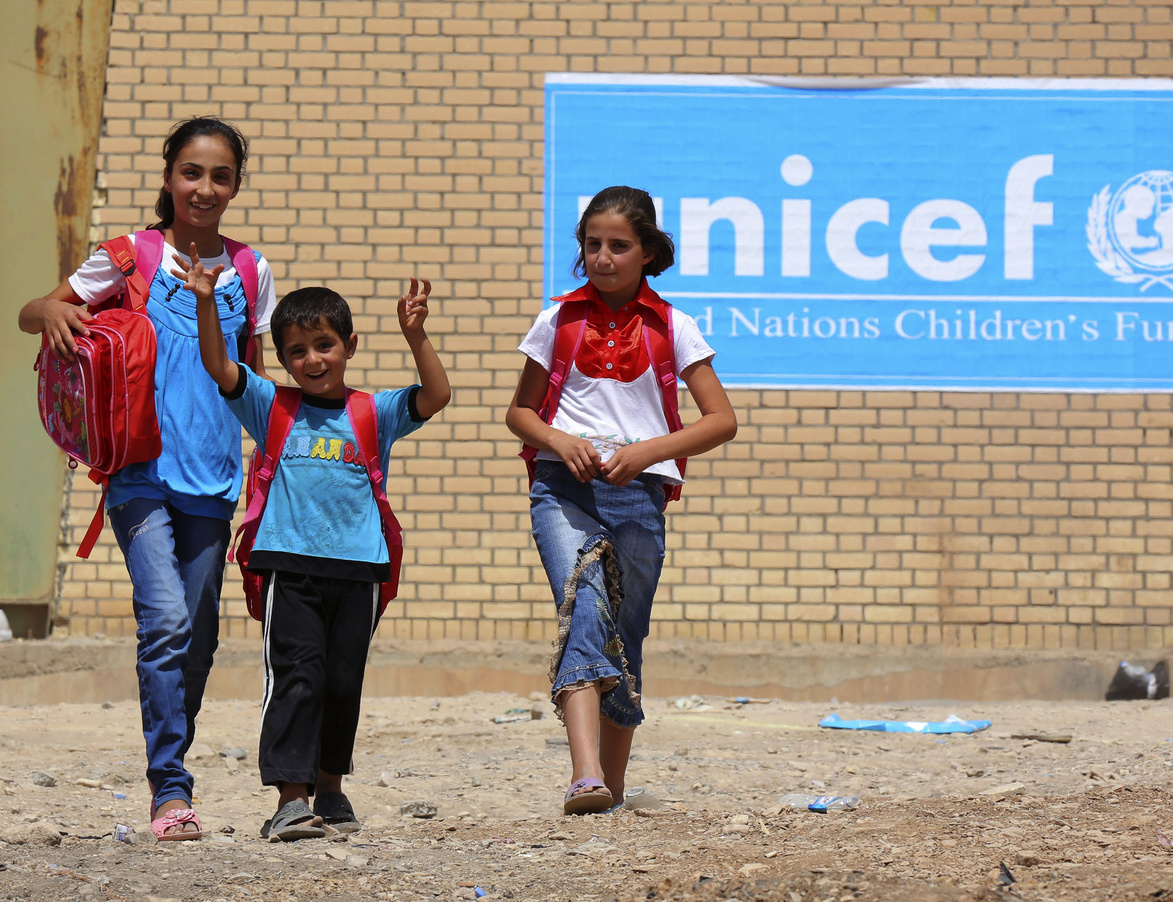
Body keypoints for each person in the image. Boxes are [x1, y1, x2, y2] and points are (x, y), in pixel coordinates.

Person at [18, 117, 276, 841]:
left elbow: (250, 375)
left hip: (215, 479)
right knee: (163, 621)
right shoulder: (130, 256)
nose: (205, 187)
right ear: (169, 177)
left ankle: (173, 757)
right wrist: (56, 315)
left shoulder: (251, 270)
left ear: (235, 186)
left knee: (196, 638)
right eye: (191, 172)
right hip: (139, 473)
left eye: (220, 176)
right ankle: (171, 787)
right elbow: (30, 310)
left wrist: (268, 461)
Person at [182, 256, 451, 841]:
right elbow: (217, 364)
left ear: (349, 345)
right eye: (297, 351)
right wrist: (206, 301)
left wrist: (416, 336)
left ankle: (330, 788)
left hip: (360, 568)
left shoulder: (372, 412)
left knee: (341, 682)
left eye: (324, 345)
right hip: (288, 565)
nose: (312, 360)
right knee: (296, 677)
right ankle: (291, 798)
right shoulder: (271, 405)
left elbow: (436, 394)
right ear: (282, 359)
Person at [505, 186, 737, 815]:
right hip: (563, 489)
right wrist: (558, 439)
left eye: (619, 245)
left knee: (624, 635)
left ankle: (612, 783)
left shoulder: (674, 327)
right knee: (583, 605)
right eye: (592, 244)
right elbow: (520, 412)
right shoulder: (556, 321)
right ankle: (583, 774)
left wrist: (645, 453)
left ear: (646, 252)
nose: (603, 256)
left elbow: (721, 420)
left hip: (639, 495)